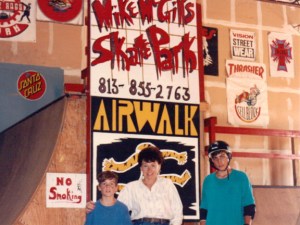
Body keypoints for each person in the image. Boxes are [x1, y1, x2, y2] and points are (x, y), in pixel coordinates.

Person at [86, 146, 183, 225]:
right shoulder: (131, 188)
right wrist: (94, 207)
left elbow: (177, 213)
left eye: (153, 165)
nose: (149, 170)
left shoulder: (168, 185)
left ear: (159, 166)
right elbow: (115, 208)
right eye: (145, 166)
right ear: (141, 167)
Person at [200, 140, 256, 225]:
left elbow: (249, 206)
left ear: (229, 156)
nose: (219, 161)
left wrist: (247, 224)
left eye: (222, 156)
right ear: (212, 161)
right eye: (215, 158)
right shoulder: (208, 181)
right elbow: (204, 210)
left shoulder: (241, 178)